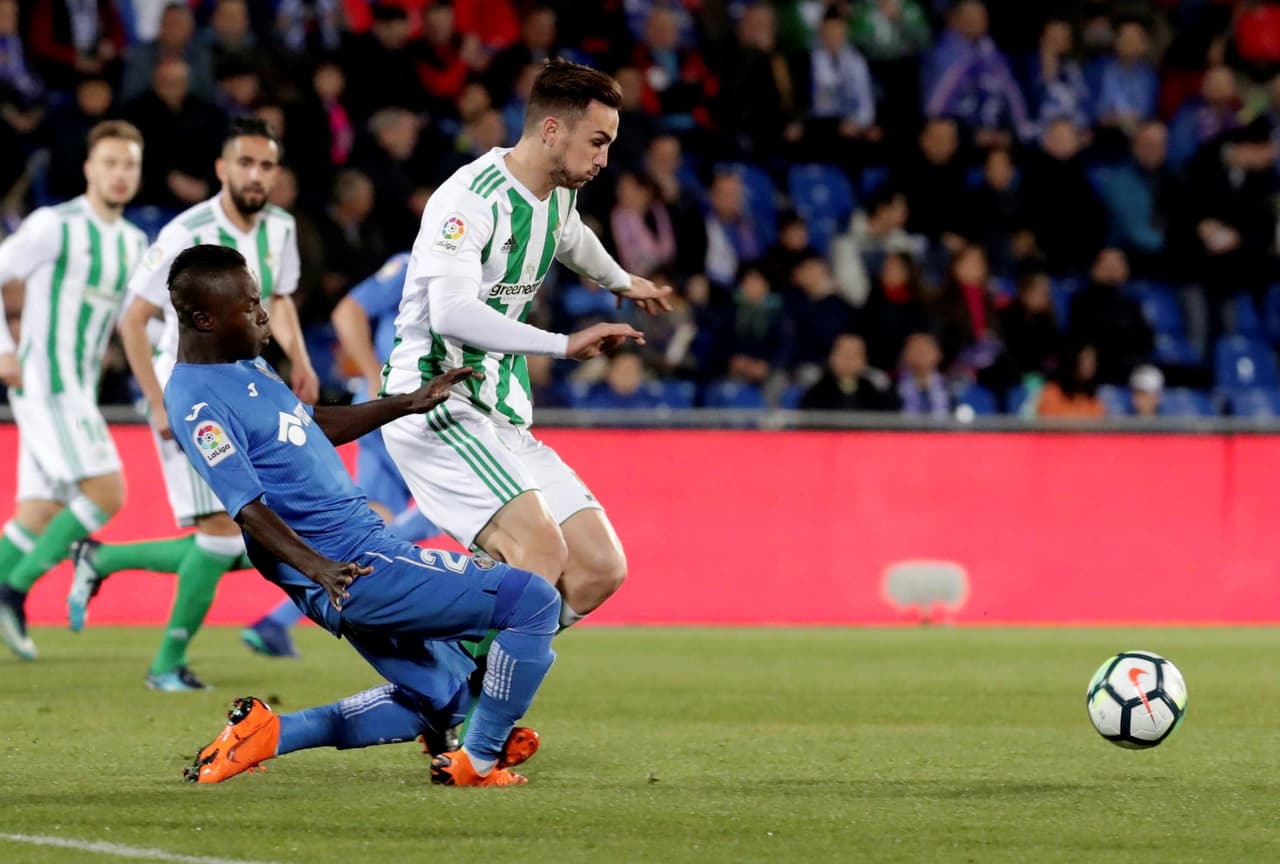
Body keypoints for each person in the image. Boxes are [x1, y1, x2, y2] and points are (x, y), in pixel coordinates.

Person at [167, 245, 556, 787]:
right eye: (251, 305)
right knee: (534, 603)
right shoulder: (195, 400)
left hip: (350, 562)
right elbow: (247, 508)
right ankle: (481, 760)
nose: (264, 314)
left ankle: (265, 734)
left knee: (444, 698)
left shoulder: (248, 366)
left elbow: (310, 423)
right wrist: (320, 569)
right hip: (355, 564)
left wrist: (403, 404)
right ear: (204, 319)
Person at [380, 59, 672, 646]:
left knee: (596, 570)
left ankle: (465, 677)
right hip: (437, 402)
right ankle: (461, 708)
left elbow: (572, 239)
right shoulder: (468, 199)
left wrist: (621, 281)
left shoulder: (557, 197)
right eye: (597, 142)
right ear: (551, 131)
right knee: (538, 554)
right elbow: (452, 313)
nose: (604, 159)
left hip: (502, 414)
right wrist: (561, 344)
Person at [65, 117, 320, 692]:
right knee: (225, 533)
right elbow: (134, 320)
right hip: (190, 389)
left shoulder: (279, 228)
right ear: (222, 169)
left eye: (267, 166)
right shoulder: (188, 230)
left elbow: (278, 298)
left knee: (242, 539)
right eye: (246, 164)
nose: (256, 176)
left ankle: (100, 561)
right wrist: (157, 405)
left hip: (248, 386)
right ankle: (164, 667)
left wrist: (299, 360)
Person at [241, 252, 442, 658]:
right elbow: (348, 311)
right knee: (441, 510)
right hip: (406, 411)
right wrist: (373, 373)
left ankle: (277, 619)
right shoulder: (417, 264)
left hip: (396, 412)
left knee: (369, 524)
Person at [0, 121, 147, 661]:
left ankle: (5, 592)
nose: (119, 173)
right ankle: (11, 593)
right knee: (108, 491)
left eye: (129, 164)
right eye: (109, 162)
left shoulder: (132, 242)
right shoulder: (54, 225)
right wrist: (4, 347)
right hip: (46, 382)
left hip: (77, 387)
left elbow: (142, 320)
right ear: (89, 168)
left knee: (38, 511)